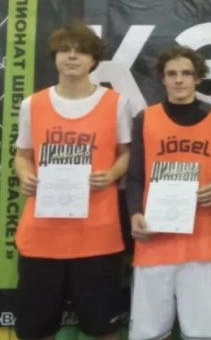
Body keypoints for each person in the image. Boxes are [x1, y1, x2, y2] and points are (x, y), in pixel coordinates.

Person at [13, 22, 131, 340]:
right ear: (55, 57)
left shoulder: (116, 103)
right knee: (35, 331)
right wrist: (26, 176)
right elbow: (22, 156)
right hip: (42, 236)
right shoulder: (32, 104)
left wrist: (113, 173)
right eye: (65, 50)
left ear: (94, 60)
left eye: (81, 51)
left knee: (104, 329)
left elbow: (127, 154)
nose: (72, 56)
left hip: (97, 237)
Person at [126, 46, 211, 340]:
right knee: (148, 335)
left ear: (198, 78)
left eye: (186, 73)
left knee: (203, 335)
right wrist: (134, 213)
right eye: (171, 74)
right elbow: (134, 176)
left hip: (202, 242)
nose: (179, 80)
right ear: (162, 79)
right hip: (154, 240)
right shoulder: (145, 118)